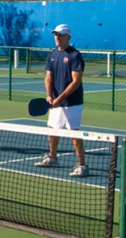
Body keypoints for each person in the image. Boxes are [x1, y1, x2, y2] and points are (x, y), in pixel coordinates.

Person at [35, 24, 88, 178]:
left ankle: (82, 165)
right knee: (52, 128)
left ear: (68, 37)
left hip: (73, 102)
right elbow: (48, 78)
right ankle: (52, 158)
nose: (57, 37)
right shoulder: (52, 55)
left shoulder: (75, 55)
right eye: (55, 35)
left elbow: (76, 81)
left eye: (60, 35)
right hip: (56, 102)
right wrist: (49, 95)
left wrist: (60, 98)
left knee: (74, 132)